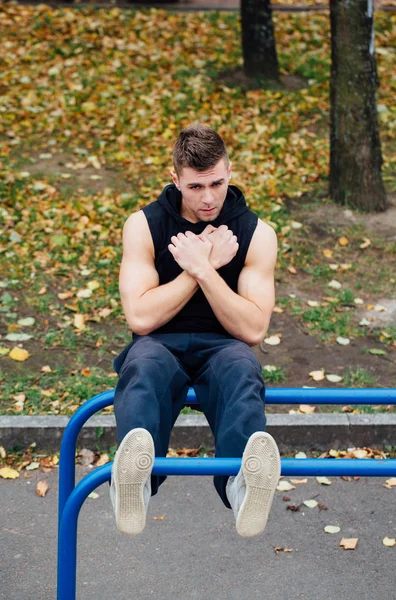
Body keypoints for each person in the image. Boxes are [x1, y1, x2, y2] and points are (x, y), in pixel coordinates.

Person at [110, 123, 281, 538]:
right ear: (175, 180)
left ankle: (242, 486)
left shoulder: (257, 234)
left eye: (218, 183)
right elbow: (141, 318)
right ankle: (134, 485)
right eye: (195, 186)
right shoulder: (143, 225)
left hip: (224, 345)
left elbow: (254, 328)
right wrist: (199, 268)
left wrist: (203, 267)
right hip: (158, 342)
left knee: (243, 367)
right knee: (143, 364)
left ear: (230, 171)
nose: (208, 198)